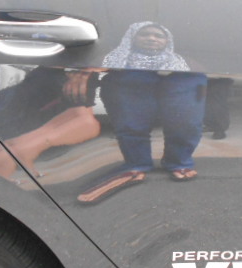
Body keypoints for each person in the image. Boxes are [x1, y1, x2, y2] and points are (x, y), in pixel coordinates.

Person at [77, 22, 206, 203]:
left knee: (186, 124)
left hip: (175, 88)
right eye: (144, 34)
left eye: (158, 36)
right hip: (131, 85)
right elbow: (89, 70)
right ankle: (136, 164)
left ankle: (179, 162)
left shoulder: (185, 62)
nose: (151, 39)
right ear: (132, 37)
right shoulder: (113, 57)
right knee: (130, 124)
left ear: (168, 40)